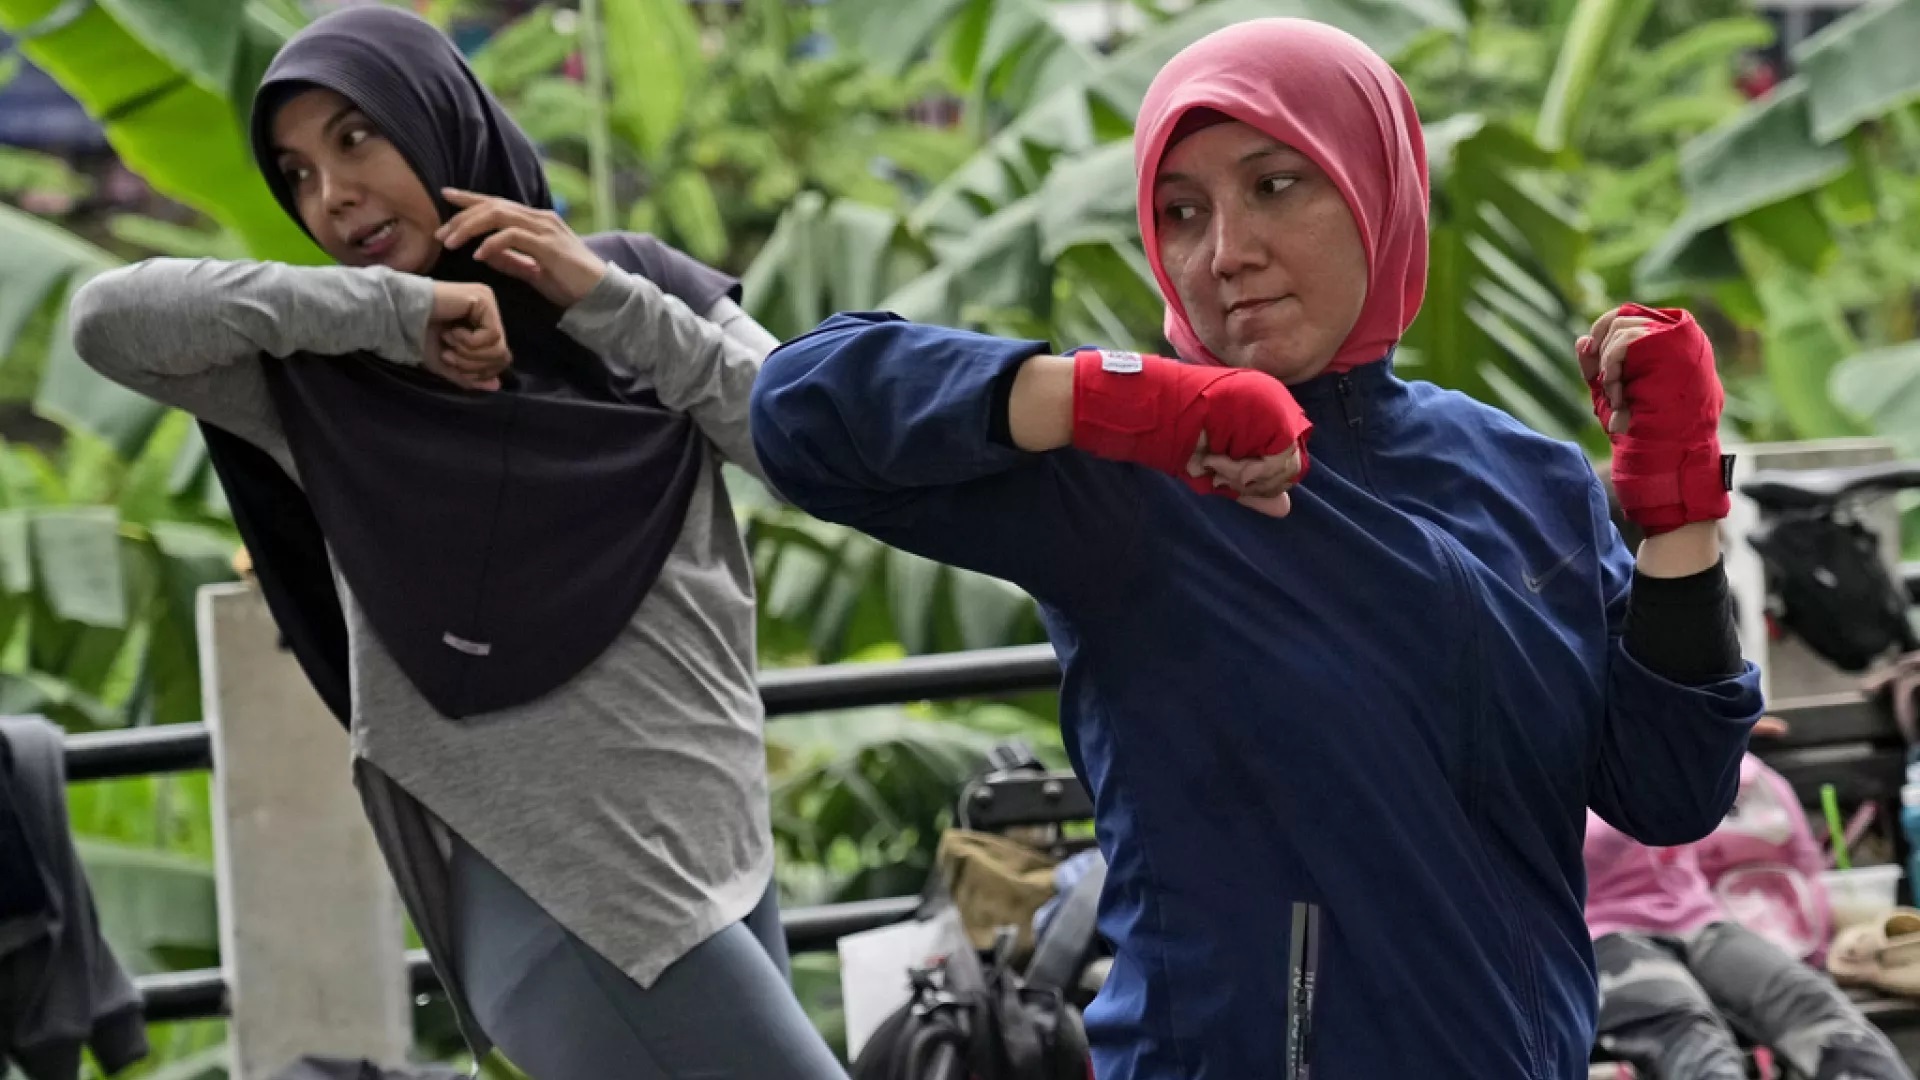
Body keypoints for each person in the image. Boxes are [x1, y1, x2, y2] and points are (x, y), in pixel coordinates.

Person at [749, 17, 1766, 1079]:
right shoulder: (1136, 483)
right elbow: (797, 407)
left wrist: (1680, 503)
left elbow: (1670, 791)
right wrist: (1122, 401)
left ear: (1377, 189)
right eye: (1181, 212)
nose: (1226, 252)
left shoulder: (1526, 477)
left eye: (1276, 186)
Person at [67, 8, 846, 1079]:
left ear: (439, 118)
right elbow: (108, 319)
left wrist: (606, 303)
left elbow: (809, 447)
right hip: (574, 904)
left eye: (355, 138)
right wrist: (394, 314)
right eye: (297, 174)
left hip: (723, 856)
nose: (332, 195)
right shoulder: (328, 377)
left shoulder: (637, 289)